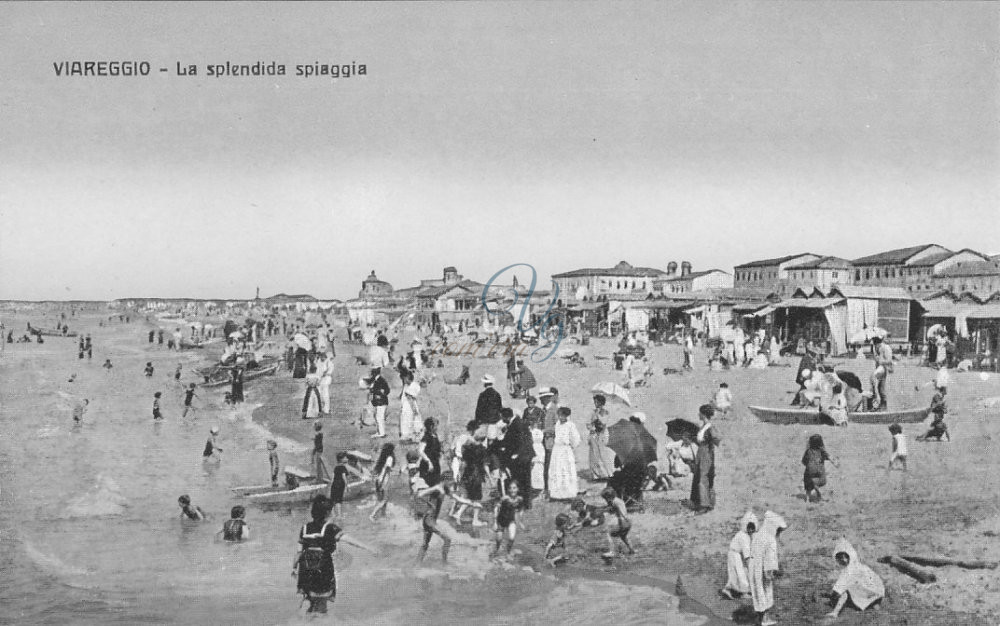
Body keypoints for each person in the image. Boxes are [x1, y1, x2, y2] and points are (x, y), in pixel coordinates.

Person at [293, 496, 377, 614]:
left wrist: (294, 569)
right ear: (328, 512)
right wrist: (370, 548)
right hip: (322, 569)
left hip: (305, 571)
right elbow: (349, 540)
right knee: (322, 606)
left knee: (310, 601)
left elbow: (298, 552)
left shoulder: (305, 528)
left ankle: (302, 620)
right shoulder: (330, 528)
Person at [413, 479, 479, 564]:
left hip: (431, 520)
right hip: (429, 520)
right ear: (444, 481)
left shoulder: (445, 489)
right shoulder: (437, 489)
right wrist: (434, 487)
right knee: (447, 539)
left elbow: (457, 498)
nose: (452, 486)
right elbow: (419, 494)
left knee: (425, 544)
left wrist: (472, 503)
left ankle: (417, 563)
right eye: (450, 484)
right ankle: (444, 562)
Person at [825, 538, 885, 618]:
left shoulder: (851, 569)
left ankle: (835, 612)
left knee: (845, 592)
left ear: (850, 556)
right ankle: (873, 603)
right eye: (840, 558)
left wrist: (833, 596)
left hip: (872, 590)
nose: (843, 560)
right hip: (876, 591)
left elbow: (839, 588)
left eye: (845, 557)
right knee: (850, 589)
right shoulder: (857, 566)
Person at [748, 511, 788, 626]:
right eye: (778, 530)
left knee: (757, 590)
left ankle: (760, 616)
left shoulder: (759, 534)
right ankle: (765, 619)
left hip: (754, 566)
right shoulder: (770, 540)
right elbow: (770, 560)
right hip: (763, 568)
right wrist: (771, 573)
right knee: (765, 591)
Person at [500, 405, 535, 509]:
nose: (502, 420)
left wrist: (517, 454)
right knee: (522, 480)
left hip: (522, 457)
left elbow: (523, 440)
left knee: (523, 481)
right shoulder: (514, 423)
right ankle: (523, 504)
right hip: (521, 457)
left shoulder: (517, 424)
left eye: (502, 417)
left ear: (506, 417)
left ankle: (524, 504)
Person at [452, 430, 488, 527]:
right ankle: (474, 520)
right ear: (483, 439)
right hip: (476, 476)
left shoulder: (467, 448)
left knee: (469, 497)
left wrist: (459, 474)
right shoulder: (482, 449)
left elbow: (463, 463)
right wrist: (490, 478)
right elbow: (484, 465)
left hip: (467, 474)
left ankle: (458, 514)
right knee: (476, 498)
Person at [720, 511, 758, 599]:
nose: (751, 530)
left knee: (736, 573)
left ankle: (728, 589)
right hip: (735, 554)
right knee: (739, 572)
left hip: (736, 554)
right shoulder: (743, 536)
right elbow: (747, 555)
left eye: (752, 528)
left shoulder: (747, 536)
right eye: (749, 528)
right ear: (745, 526)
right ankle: (743, 592)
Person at [690, 404, 720, 512]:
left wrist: (708, 441)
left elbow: (717, 439)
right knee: (700, 476)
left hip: (706, 452)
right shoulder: (704, 426)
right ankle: (703, 502)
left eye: (700, 413)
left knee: (704, 477)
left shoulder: (710, 427)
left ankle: (705, 504)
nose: (698, 414)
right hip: (702, 452)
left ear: (703, 414)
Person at [548, 407, 581, 500]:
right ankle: (556, 493)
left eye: (562, 415)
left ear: (567, 416)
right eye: (559, 415)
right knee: (556, 470)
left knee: (566, 470)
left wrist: (570, 446)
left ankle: (568, 493)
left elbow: (576, 438)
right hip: (557, 449)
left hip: (565, 450)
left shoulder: (570, 425)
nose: (560, 417)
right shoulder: (557, 424)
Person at [491, 481, 524, 559]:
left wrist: (520, 521)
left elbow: (521, 509)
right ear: (508, 490)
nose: (512, 490)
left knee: (512, 538)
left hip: (511, 521)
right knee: (499, 540)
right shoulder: (505, 498)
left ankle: (508, 552)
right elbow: (496, 509)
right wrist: (495, 522)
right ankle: (497, 550)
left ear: (518, 489)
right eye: (510, 488)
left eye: (514, 488)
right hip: (501, 521)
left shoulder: (519, 499)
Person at [329, 452, 366, 517]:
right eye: (345, 458)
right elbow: (344, 477)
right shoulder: (343, 467)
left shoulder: (336, 467)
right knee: (338, 501)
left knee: (333, 500)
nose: (347, 458)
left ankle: (333, 515)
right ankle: (339, 516)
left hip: (334, 485)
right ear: (342, 459)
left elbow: (332, 477)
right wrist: (347, 486)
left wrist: (330, 485)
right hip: (340, 486)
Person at [538, 387, 560, 494]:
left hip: (551, 440)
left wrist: (545, 431)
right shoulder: (543, 409)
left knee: (550, 465)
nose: (540, 400)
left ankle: (550, 488)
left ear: (547, 398)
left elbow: (558, 426)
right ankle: (546, 487)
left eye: (542, 398)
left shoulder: (554, 409)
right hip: (544, 441)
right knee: (545, 465)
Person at [602, 487, 635, 558]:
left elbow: (622, 512)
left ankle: (612, 552)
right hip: (627, 522)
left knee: (610, 534)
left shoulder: (615, 502)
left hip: (623, 522)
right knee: (623, 537)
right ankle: (631, 550)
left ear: (609, 497)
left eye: (605, 499)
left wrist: (622, 521)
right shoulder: (617, 500)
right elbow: (613, 509)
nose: (606, 501)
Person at [803, 434, 837, 503]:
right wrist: (834, 462)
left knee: (808, 483)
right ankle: (817, 486)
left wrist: (809, 465)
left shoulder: (808, 451)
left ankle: (807, 499)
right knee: (822, 480)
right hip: (820, 471)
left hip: (810, 471)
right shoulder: (822, 451)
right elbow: (829, 457)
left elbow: (803, 461)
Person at [588, 395, 613, 480]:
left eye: (597, 402)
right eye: (594, 402)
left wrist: (597, 418)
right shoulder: (593, 412)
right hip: (594, 434)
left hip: (601, 435)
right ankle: (596, 474)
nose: (595, 403)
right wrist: (591, 425)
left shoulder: (605, 412)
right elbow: (589, 424)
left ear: (601, 403)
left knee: (603, 454)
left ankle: (608, 473)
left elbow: (603, 424)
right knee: (594, 455)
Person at [369, 443, 396, 521]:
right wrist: (382, 480)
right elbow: (386, 469)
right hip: (384, 481)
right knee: (385, 500)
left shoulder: (382, 457)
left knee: (381, 500)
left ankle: (383, 515)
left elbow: (377, 470)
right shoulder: (390, 458)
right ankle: (372, 514)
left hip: (378, 480)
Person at [474, 374, 504, 438]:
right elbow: (500, 408)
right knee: (493, 439)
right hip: (494, 421)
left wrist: (476, 422)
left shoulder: (482, 395)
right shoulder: (497, 394)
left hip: (484, 421)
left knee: (483, 441)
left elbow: (478, 410)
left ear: (485, 384)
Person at [870, 336, 893, 410]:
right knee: (880, 387)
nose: (875, 346)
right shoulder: (878, 348)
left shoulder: (885, 348)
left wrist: (880, 361)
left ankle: (881, 403)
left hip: (884, 367)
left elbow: (889, 360)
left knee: (878, 385)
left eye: (875, 345)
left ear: (878, 343)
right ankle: (880, 404)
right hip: (879, 367)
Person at [398, 370, 422, 442]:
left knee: (411, 420)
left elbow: (410, 399)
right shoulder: (406, 386)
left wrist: (414, 410)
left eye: (404, 379)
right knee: (405, 421)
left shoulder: (414, 385)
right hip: (405, 406)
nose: (403, 381)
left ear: (407, 377)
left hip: (410, 406)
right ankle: (407, 436)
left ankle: (412, 436)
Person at [418, 417, 443, 486]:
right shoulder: (426, 437)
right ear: (431, 427)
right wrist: (428, 462)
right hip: (427, 465)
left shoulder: (435, 436)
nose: (437, 428)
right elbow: (420, 451)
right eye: (436, 426)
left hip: (436, 464)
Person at [367, 367, 389, 438]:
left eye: (372, 373)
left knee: (379, 417)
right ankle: (380, 431)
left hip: (381, 402)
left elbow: (386, 390)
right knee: (378, 417)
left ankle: (382, 433)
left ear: (375, 373)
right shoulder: (377, 379)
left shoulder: (380, 380)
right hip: (379, 402)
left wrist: (375, 391)